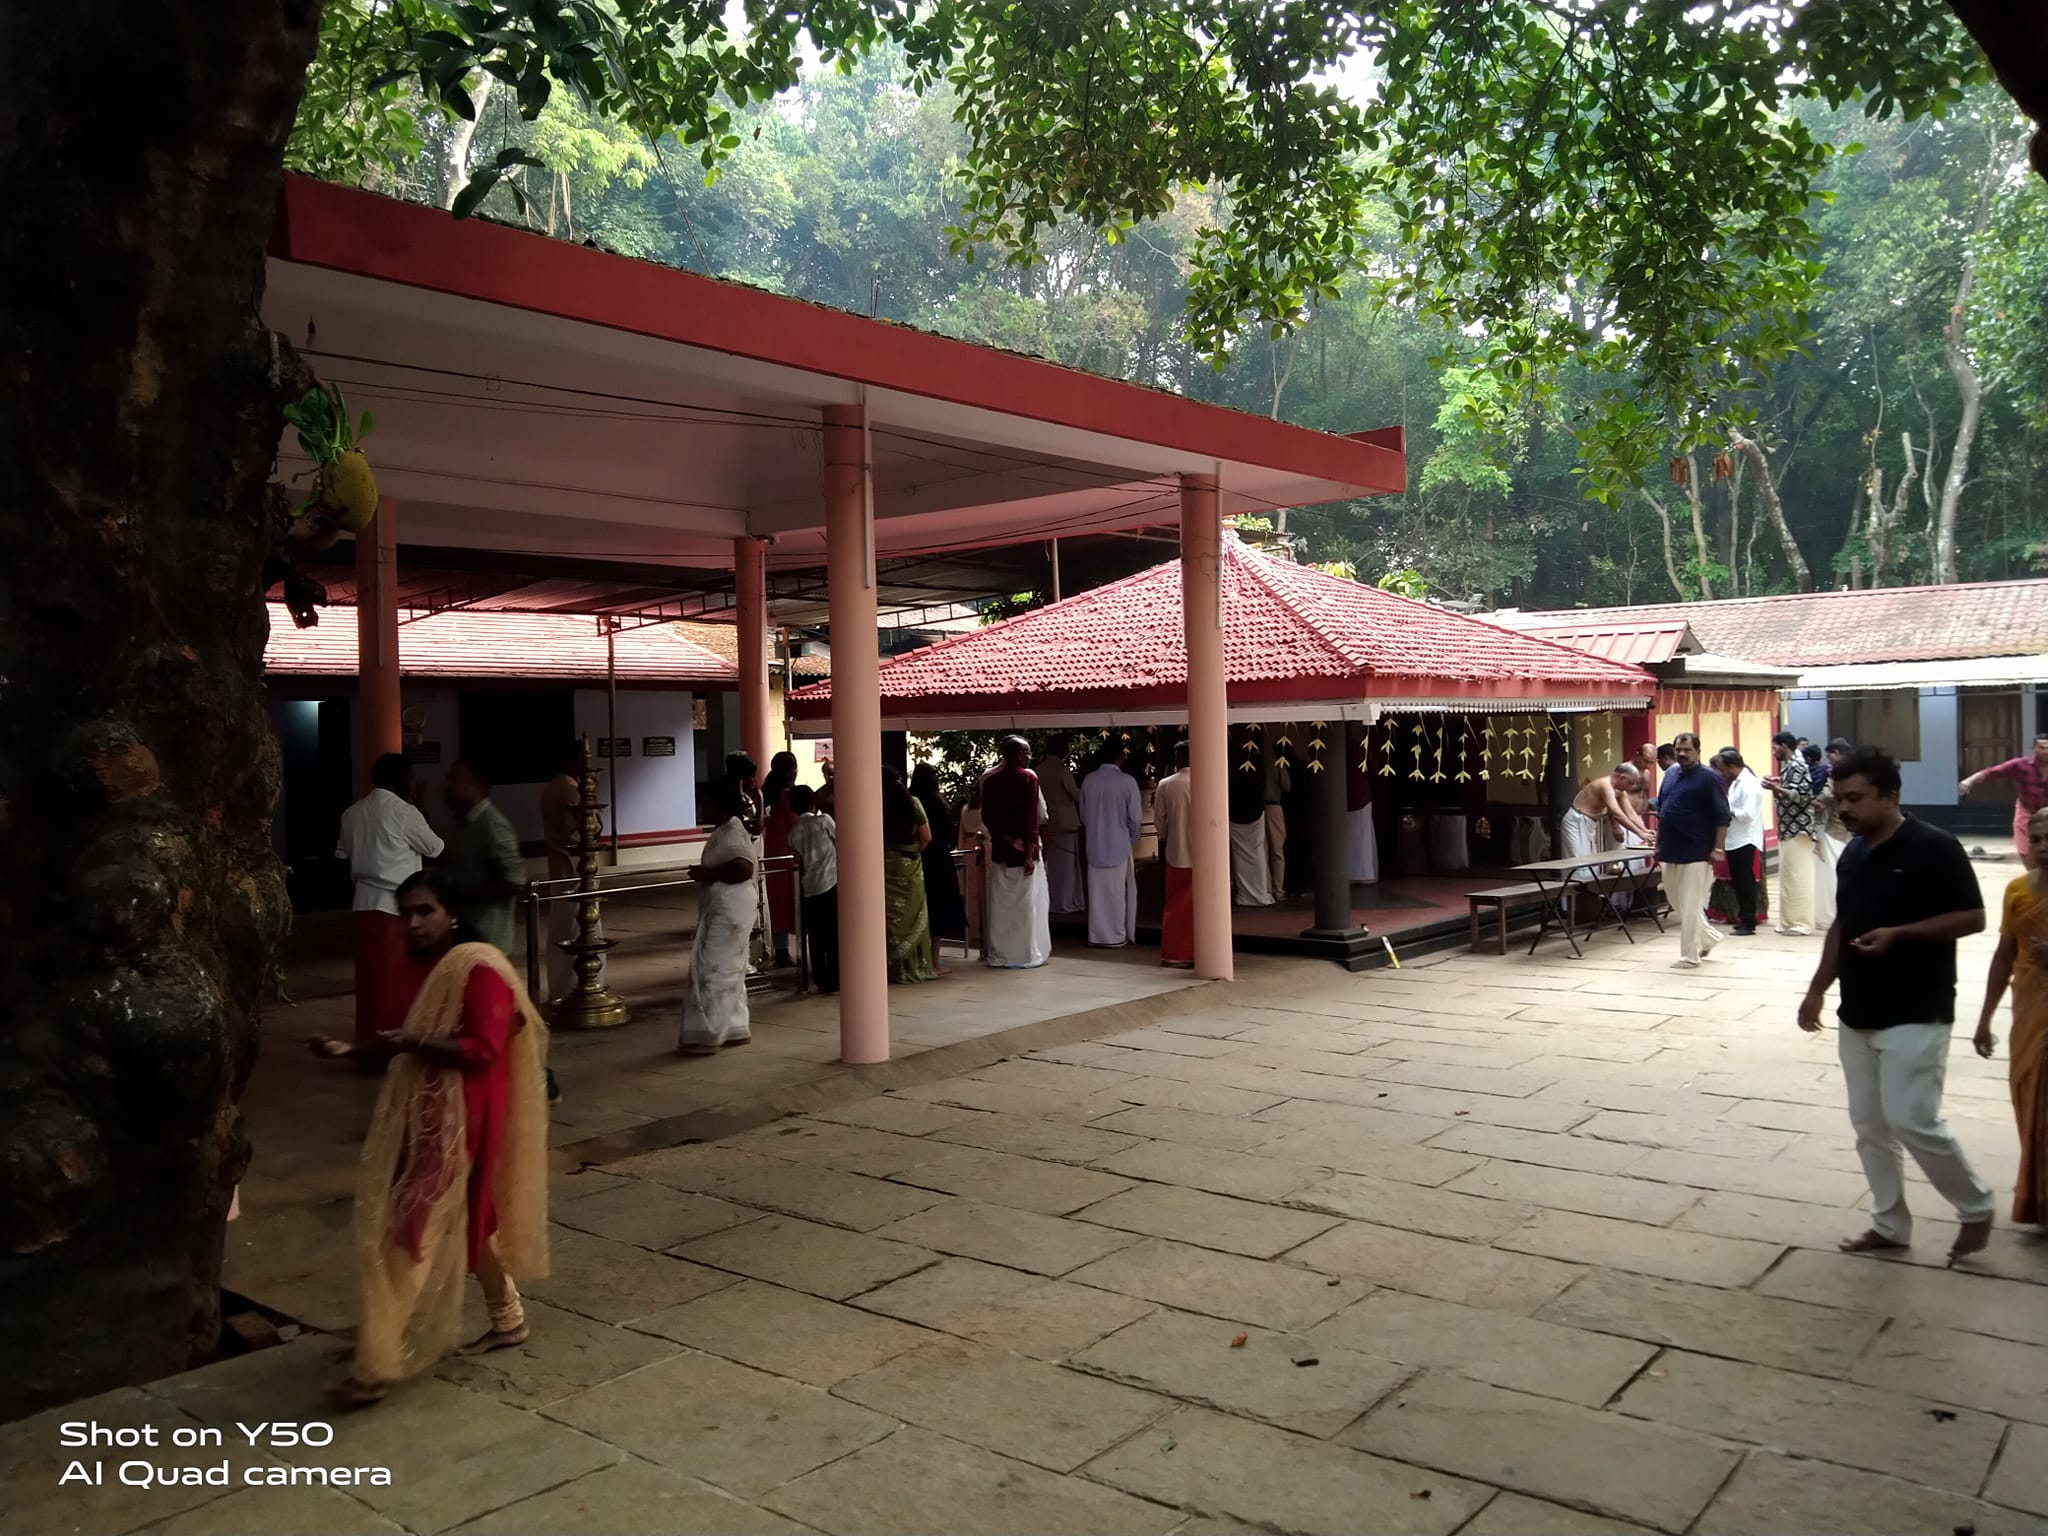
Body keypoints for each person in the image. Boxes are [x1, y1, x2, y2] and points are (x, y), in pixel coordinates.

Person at [311, 871, 549, 1406]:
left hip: (466, 1116)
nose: (414, 923)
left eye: (426, 911)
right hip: (439, 1112)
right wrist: (348, 1052)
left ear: (452, 915)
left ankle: (376, 1361)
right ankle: (508, 1318)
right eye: (407, 913)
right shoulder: (426, 969)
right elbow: (402, 1039)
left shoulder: (479, 967)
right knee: (469, 1217)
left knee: (412, 1226)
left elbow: (482, 1048)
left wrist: (415, 1041)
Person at [1799, 747, 1995, 1263]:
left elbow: (1973, 918)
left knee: (1912, 1119)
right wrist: (1818, 988)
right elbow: (1842, 925)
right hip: (1857, 1008)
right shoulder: (1855, 852)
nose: (1845, 808)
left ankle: (1975, 1206)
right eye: (1839, 799)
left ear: (1890, 796)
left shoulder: (1934, 847)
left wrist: (1900, 934)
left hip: (1917, 1006)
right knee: (1869, 1126)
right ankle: (1889, 1223)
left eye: (1856, 798)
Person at [336, 753, 444, 1049]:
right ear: (403, 780)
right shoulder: (405, 812)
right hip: (396, 904)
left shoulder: (352, 813)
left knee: (369, 977)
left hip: (362, 902)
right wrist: (421, 805)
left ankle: (368, 1036)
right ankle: (391, 1039)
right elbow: (435, 848)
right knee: (397, 976)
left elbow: (342, 854)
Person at [1977, 805, 2048, 1230]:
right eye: (2036, 838)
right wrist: (1985, 1018)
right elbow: (2004, 955)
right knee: (2029, 1096)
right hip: (2028, 1009)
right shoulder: (2017, 890)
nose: (2042, 847)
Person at [680, 776, 758, 1054]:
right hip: (727, 906)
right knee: (728, 967)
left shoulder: (732, 832)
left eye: (705, 803)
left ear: (718, 805)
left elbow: (743, 869)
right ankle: (735, 1027)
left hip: (730, 909)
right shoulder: (725, 830)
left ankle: (708, 1034)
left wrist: (708, 874)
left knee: (712, 967)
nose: (702, 808)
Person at [1656, 733, 1730, 969]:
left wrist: (1718, 847)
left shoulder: (1710, 778)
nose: (1682, 754)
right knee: (1675, 899)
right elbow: (1662, 809)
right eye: (1679, 749)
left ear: (1697, 751)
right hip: (1670, 847)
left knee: (1689, 904)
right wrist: (1658, 843)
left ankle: (1689, 955)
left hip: (1698, 849)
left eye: (1687, 749)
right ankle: (1709, 936)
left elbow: (1722, 816)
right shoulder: (1669, 774)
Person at [981, 736, 1051, 968]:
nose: (1030, 757)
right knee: (1027, 904)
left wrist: (1009, 840)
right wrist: (1029, 852)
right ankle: (1025, 953)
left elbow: (988, 817)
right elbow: (1031, 817)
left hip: (1002, 849)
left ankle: (1000, 953)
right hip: (1024, 851)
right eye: (1027, 752)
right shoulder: (1029, 778)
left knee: (1001, 905)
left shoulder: (990, 780)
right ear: (1019, 754)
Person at [538, 742, 600, 1004]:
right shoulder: (570, 790)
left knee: (562, 929)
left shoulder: (550, 787)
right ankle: (580, 986)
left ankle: (561, 987)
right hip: (576, 870)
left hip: (560, 868)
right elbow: (593, 827)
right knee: (580, 930)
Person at [442, 761, 523, 956]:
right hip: (464, 931)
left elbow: (514, 881)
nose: (446, 786)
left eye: (454, 780)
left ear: (475, 785)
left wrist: (464, 894)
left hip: (487, 938)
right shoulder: (463, 823)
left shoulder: (492, 824)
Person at [1080, 742, 1143, 946]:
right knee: (1118, 893)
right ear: (1119, 758)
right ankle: (1116, 934)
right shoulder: (1127, 782)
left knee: (1097, 894)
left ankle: (1097, 935)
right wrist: (1131, 838)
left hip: (1094, 844)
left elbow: (1083, 814)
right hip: (1119, 844)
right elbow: (1135, 817)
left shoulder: (1089, 781)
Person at [883, 765, 939, 984]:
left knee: (889, 916)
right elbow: (926, 837)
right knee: (913, 913)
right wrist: (912, 853)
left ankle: (890, 966)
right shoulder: (913, 803)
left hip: (885, 865)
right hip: (910, 864)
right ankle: (914, 965)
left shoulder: (875, 804)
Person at [1960, 733, 2048, 860]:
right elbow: (1992, 772)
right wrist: (1969, 781)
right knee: (2025, 848)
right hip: (2027, 808)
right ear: (2033, 748)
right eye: (2042, 748)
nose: (2046, 751)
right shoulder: (2020, 765)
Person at [1764, 730, 1817, 936]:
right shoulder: (1789, 765)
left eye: (1775, 747)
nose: (1773, 752)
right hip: (1788, 828)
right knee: (1789, 876)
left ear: (1784, 746)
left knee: (1798, 876)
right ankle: (1789, 921)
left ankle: (1800, 922)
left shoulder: (1796, 764)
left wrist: (1775, 789)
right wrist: (1777, 783)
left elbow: (1802, 795)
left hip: (1798, 828)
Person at [787, 783, 839, 994]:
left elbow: (798, 860)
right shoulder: (824, 820)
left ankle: (821, 980)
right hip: (831, 882)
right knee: (834, 935)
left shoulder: (793, 832)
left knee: (816, 937)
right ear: (813, 802)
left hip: (809, 887)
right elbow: (840, 839)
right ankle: (836, 979)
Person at [1714, 749, 1766, 936]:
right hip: (1735, 839)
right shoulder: (1737, 782)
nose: (1722, 773)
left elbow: (1747, 814)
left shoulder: (1749, 784)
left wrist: (1729, 811)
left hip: (1745, 839)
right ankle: (1744, 917)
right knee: (1739, 881)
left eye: (1723, 769)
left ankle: (1748, 921)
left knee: (1745, 882)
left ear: (1732, 766)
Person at [1154, 741, 1195, 967]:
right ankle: (1198, 951)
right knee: (1199, 908)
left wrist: (1170, 836)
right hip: (1204, 856)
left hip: (1176, 852)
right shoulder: (1208, 780)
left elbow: (1160, 820)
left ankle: (1173, 953)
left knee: (1174, 905)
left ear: (1178, 757)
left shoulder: (1166, 784)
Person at [1036, 736, 1086, 916]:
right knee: (1068, 867)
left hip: (1047, 824)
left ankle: (1053, 901)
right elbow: (1074, 793)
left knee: (1052, 866)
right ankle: (1066, 902)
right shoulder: (1061, 769)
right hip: (1066, 823)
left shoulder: (1039, 769)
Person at [1561, 763, 1652, 860]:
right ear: (1622, 778)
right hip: (1577, 821)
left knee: (1589, 860)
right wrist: (1640, 833)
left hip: (1589, 824)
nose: (1630, 787)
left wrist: (1644, 830)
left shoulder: (1620, 791)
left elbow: (1631, 813)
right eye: (1630, 783)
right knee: (1578, 860)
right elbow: (1617, 814)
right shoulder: (1605, 786)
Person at [759, 751, 800, 968]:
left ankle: (780, 947)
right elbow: (795, 823)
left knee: (777, 901)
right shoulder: (786, 796)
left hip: (772, 852)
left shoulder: (767, 793)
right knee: (788, 900)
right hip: (787, 852)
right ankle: (783, 951)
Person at [1228, 741, 1274, 906]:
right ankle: (1261, 892)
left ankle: (1245, 894)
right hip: (1255, 810)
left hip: (1234, 811)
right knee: (1258, 853)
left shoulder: (1230, 764)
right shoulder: (1258, 760)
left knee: (1239, 856)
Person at [1810, 742, 1846, 930]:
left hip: (1833, 826)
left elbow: (1828, 791)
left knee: (1830, 871)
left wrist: (1818, 801)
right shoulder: (1853, 770)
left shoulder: (1838, 772)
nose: (1828, 759)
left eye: (1830, 755)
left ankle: (1830, 914)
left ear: (1837, 753)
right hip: (1845, 827)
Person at [1346, 723, 1379, 883]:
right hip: (1362, 797)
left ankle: (1354, 873)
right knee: (1363, 836)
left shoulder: (1339, 751)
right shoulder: (1361, 749)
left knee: (1350, 838)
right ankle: (1364, 874)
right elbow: (1374, 769)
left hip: (1346, 798)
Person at [1262, 739, 1292, 900]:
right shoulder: (1277, 763)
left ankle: (1266, 888)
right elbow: (1287, 786)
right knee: (1277, 850)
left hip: (1259, 808)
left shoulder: (1257, 762)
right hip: (1274, 806)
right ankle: (1278, 889)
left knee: (1263, 849)